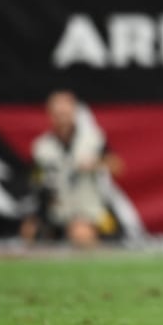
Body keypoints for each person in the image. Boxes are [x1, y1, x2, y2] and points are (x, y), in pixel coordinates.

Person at [23, 90, 124, 247]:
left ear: (74, 112)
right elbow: (35, 181)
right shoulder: (42, 147)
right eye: (58, 114)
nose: (62, 119)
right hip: (58, 210)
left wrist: (95, 163)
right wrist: (36, 214)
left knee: (80, 233)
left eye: (66, 113)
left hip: (90, 209)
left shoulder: (93, 139)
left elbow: (118, 166)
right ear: (50, 115)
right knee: (29, 231)